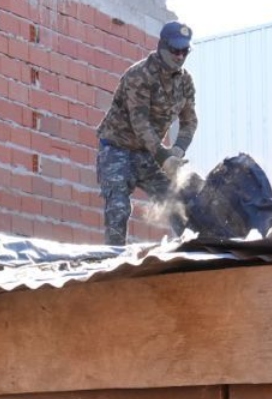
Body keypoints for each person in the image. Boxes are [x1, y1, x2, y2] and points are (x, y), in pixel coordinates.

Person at [96, 21, 199, 245]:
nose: (180, 56)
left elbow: (190, 121)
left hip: (148, 153)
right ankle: (114, 258)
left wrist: (177, 151)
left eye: (185, 51)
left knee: (177, 201)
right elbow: (139, 122)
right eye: (175, 50)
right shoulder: (139, 75)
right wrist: (164, 157)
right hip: (116, 150)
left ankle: (194, 250)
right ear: (162, 46)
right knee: (118, 208)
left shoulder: (185, 81)